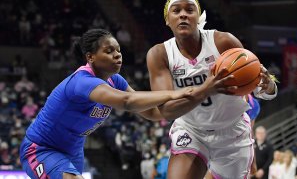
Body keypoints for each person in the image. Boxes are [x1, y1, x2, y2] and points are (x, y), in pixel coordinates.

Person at [19, 29, 196, 179]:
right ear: (91, 57)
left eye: (118, 50)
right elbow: (127, 102)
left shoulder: (115, 81)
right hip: (40, 149)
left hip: (73, 151)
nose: (117, 54)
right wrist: (173, 93)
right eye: (109, 50)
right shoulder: (81, 82)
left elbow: (152, 113)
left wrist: (198, 97)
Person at [146, 0, 278, 178]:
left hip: (232, 131)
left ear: (198, 16)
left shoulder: (223, 42)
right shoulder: (159, 54)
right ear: (167, 20)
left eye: (189, 10)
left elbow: (256, 88)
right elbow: (168, 111)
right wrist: (206, 89)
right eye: (176, 10)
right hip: (191, 129)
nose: (183, 14)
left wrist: (268, 85)